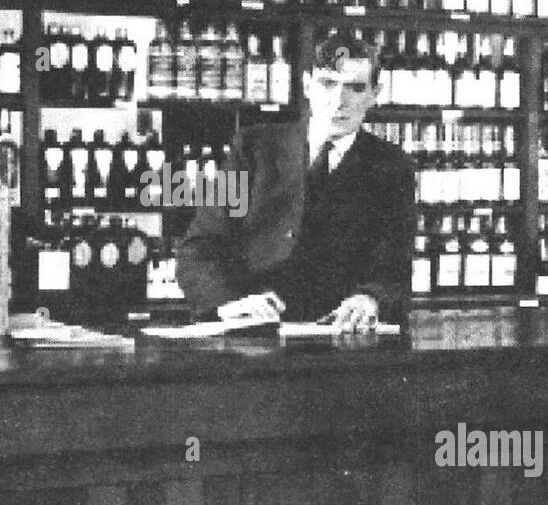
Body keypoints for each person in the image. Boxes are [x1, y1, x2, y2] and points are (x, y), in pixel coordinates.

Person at [176, 30, 415, 331]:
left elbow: (395, 265)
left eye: (354, 88)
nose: (338, 101)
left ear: (374, 93)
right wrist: (228, 302)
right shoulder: (253, 148)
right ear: (306, 85)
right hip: (255, 331)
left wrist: (370, 299)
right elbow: (200, 246)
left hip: (343, 337)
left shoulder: (392, 166)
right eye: (328, 83)